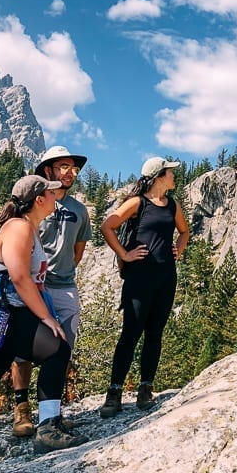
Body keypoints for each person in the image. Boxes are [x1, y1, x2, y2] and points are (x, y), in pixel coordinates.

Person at [0, 175, 88, 473]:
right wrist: (47, 318)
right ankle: (48, 430)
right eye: (50, 193)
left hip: (0, 318)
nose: (55, 196)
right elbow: (20, 277)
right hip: (8, 313)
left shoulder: (27, 227)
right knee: (57, 350)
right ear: (39, 199)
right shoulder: (20, 227)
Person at [10, 146, 92, 437]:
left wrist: (62, 271)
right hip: (31, 289)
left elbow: (78, 251)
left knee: (63, 349)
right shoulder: (36, 203)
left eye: (74, 168)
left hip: (65, 287)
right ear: (48, 170)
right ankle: (22, 410)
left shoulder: (79, 210)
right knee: (23, 352)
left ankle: (51, 415)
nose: (71, 173)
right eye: (64, 167)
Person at [99, 157, 189, 417]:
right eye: (170, 172)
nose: (174, 176)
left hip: (165, 277)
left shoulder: (172, 205)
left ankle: (145, 389)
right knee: (130, 333)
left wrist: (178, 251)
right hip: (139, 277)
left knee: (155, 333)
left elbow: (184, 232)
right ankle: (114, 392)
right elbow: (108, 226)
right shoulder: (138, 203)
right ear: (159, 175)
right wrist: (124, 255)